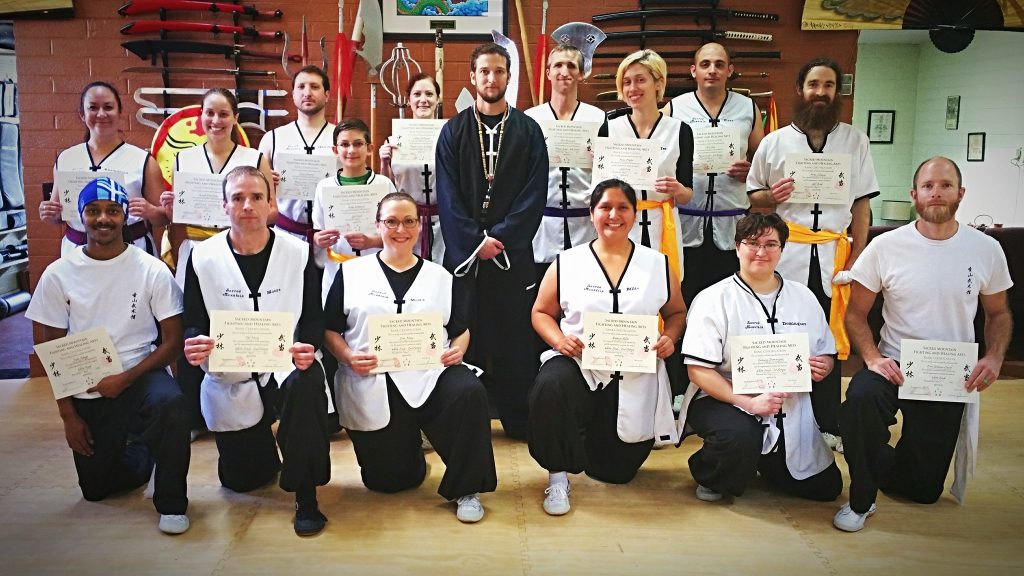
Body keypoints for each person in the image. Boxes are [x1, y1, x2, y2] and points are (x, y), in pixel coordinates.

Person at [835, 157, 1013, 532]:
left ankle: (869, 454)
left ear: (960, 193)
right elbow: (855, 314)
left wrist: (994, 357)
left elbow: (998, 314)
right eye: (928, 186)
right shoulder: (886, 246)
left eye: (945, 185)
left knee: (923, 490)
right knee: (861, 400)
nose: (936, 193)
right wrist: (872, 357)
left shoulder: (985, 249)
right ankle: (861, 498)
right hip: (893, 364)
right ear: (914, 194)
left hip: (947, 373)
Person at [26, 177, 190, 534]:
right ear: (81, 215)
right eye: (94, 211)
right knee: (96, 490)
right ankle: (143, 451)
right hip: (89, 383)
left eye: (113, 211)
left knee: (172, 405)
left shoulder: (151, 268)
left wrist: (126, 378)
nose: (103, 219)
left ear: (125, 216)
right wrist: (68, 416)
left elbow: (173, 342)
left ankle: (172, 503)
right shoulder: (58, 274)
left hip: (140, 373)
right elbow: (52, 353)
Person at [324, 192, 497, 523]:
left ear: (419, 226)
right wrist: (347, 356)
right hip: (374, 379)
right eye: (391, 222)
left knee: (468, 391)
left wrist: (458, 349)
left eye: (408, 221)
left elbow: (460, 329)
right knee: (389, 483)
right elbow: (330, 330)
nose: (400, 230)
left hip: (432, 375)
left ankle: (468, 488)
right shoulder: (351, 273)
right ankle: (411, 447)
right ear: (378, 225)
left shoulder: (440, 277)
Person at [181, 166, 331, 537]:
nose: (247, 205)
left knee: (307, 383)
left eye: (256, 197)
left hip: (285, 363)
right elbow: (194, 320)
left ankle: (306, 495)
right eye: (237, 198)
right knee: (244, 481)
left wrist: (309, 347)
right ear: (224, 205)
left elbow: (314, 318)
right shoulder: (202, 256)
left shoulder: (297, 253)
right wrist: (195, 341)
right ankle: (263, 443)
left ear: (269, 204)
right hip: (231, 371)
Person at [529, 179, 686, 515]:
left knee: (615, 472)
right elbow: (540, 312)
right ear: (591, 213)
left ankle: (595, 443)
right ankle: (557, 476)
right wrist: (559, 340)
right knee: (550, 384)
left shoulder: (657, 263)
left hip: (634, 371)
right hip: (579, 363)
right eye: (605, 207)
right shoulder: (567, 261)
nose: (613, 215)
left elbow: (677, 313)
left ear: (634, 214)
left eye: (622, 207)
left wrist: (669, 338)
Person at [747, 58, 880, 452]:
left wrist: (858, 255)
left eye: (828, 85)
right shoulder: (774, 142)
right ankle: (773, 414)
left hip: (834, 255)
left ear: (837, 92)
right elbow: (753, 197)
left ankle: (827, 421)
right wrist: (772, 195)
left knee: (828, 337)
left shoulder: (855, 141)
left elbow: (861, 205)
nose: (820, 92)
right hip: (787, 252)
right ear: (800, 90)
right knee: (783, 333)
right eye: (814, 85)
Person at [679, 212, 842, 504]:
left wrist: (824, 365)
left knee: (826, 489)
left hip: (788, 405)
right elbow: (697, 370)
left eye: (770, 244)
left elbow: (825, 352)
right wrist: (749, 403)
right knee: (739, 435)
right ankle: (710, 470)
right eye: (752, 243)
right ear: (737, 247)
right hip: (724, 398)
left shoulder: (804, 297)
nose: (761, 252)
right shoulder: (713, 298)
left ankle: (761, 461)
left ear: (782, 249)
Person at [435, 42, 548, 440]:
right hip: (465, 255)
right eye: (484, 71)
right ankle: (465, 420)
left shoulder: (528, 131)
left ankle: (517, 417)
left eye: (499, 71)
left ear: (508, 77)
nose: (491, 78)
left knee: (513, 335)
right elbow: (447, 196)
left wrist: (500, 238)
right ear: (472, 76)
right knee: (463, 329)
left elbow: (535, 193)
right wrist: (473, 241)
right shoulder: (453, 131)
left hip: (509, 254)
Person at [162, 88, 277, 436]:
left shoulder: (254, 157)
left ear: (235, 118)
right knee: (195, 324)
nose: (216, 120)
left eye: (224, 113)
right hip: (197, 247)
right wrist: (171, 212)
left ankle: (254, 401)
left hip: (241, 247)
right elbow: (177, 219)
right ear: (200, 117)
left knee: (240, 318)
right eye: (209, 113)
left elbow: (272, 209)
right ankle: (195, 414)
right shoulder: (183, 159)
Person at [665, 43, 764, 305]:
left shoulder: (748, 108)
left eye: (719, 64)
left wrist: (751, 170)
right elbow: (655, 148)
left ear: (730, 70)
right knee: (684, 295)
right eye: (705, 64)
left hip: (732, 221)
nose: (712, 70)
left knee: (728, 299)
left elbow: (763, 162)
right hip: (686, 219)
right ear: (693, 71)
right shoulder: (675, 108)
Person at [38, 82, 167, 257]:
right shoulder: (66, 158)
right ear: (82, 114)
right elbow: (59, 216)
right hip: (77, 252)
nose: (101, 114)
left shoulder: (143, 160)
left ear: (120, 112)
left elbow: (163, 218)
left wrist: (151, 211)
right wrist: (50, 213)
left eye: (108, 107)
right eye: (93, 108)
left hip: (131, 250)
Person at [608, 49, 693, 281]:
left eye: (640, 80)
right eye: (626, 82)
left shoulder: (679, 130)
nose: (632, 88)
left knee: (664, 287)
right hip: (622, 223)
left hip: (663, 222)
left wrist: (678, 189)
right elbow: (602, 189)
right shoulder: (610, 128)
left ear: (658, 83)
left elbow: (687, 194)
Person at [525, 44, 609, 271]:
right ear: (548, 72)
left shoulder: (598, 118)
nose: (564, 71)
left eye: (571, 66)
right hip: (543, 227)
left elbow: (608, 175)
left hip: (585, 225)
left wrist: (602, 161)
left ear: (581, 74)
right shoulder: (530, 119)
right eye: (558, 65)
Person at [312, 118, 398, 303]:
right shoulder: (324, 187)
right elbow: (318, 229)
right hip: (336, 269)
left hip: (377, 270)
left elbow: (397, 233)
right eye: (344, 144)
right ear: (335, 150)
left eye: (358, 144)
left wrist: (372, 241)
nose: (351, 150)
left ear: (370, 148)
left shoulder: (384, 184)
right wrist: (318, 240)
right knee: (335, 316)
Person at [259, 65, 338, 249]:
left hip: (330, 237)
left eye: (315, 87)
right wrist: (265, 181)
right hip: (286, 234)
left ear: (327, 95)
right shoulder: (272, 138)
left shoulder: (341, 138)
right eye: (301, 87)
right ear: (293, 94)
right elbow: (256, 189)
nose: (307, 93)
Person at [379, 73, 446, 263]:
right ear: (409, 100)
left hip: (442, 221)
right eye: (417, 94)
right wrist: (384, 161)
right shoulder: (394, 140)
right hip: (407, 221)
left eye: (429, 94)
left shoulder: (449, 137)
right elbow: (388, 186)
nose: (423, 100)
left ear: (437, 99)